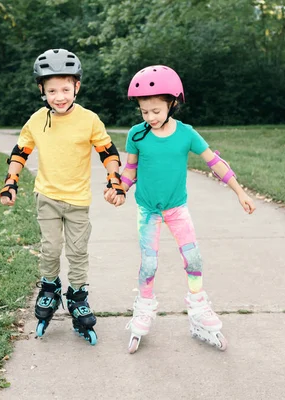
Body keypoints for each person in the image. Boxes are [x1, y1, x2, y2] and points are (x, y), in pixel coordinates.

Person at [104, 65, 256, 353]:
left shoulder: (186, 134)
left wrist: (240, 191)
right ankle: (144, 308)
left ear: (172, 104)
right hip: (148, 211)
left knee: (194, 260)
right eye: (144, 111)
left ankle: (198, 308)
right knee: (148, 264)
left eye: (156, 110)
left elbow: (214, 162)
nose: (149, 117)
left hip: (177, 210)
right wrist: (119, 190)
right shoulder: (137, 135)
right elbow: (130, 171)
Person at [0, 48, 126, 345]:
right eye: (52, 89)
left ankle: (78, 294)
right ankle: (50, 288)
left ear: (76, 87)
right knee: (50, 247)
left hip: (78, 201)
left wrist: (114, 178)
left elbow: (107, 151)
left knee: (78, 251)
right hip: (47, 196)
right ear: (41, 89)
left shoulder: (89, 120)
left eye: (66, 89)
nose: (59, 96)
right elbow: (20, 151)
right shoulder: (36, 120)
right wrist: (11, 181)